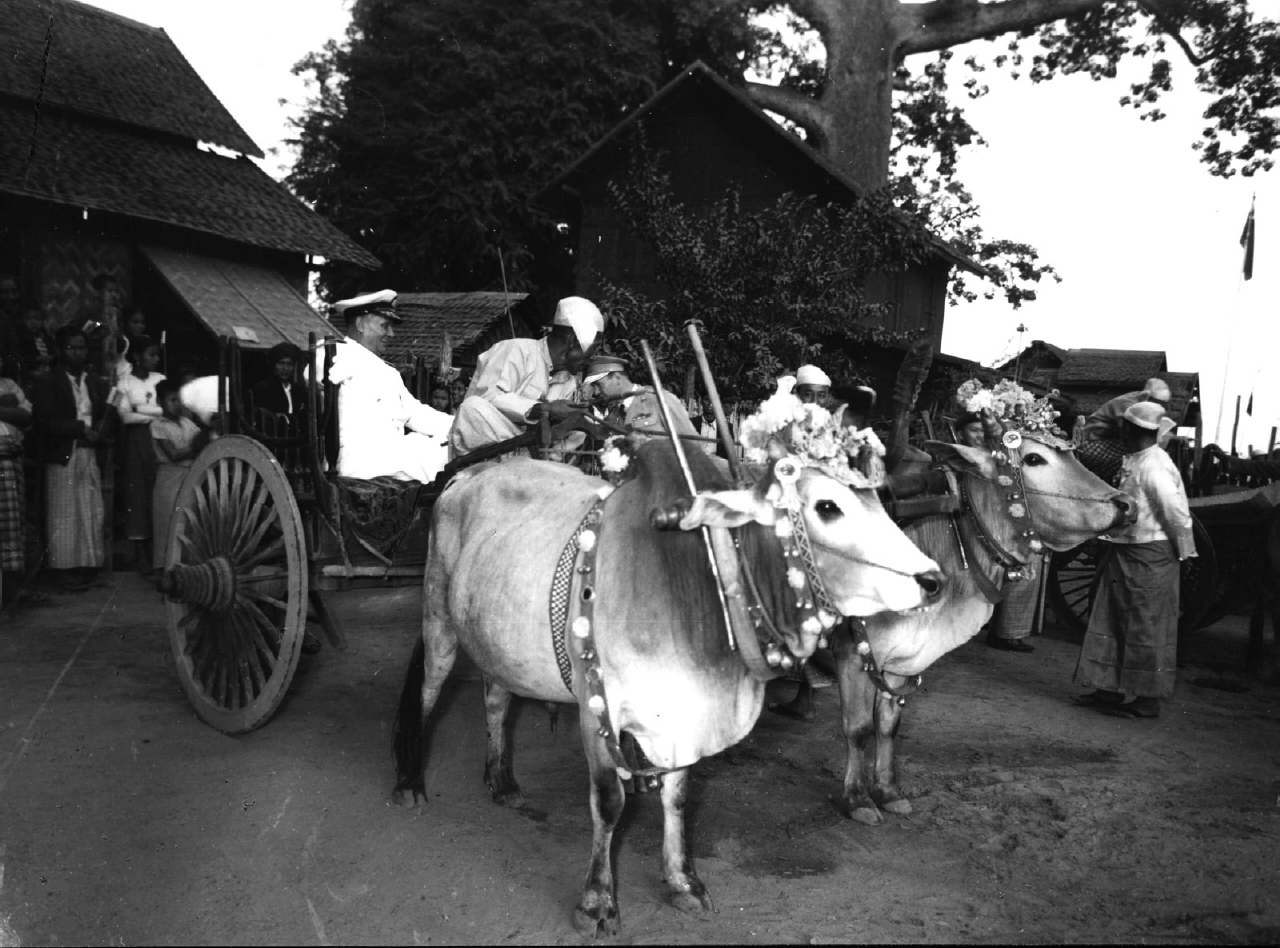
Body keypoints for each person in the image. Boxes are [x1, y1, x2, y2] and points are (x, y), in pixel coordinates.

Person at [1072, 401, 1196, 718]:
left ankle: (1147, 699)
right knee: (1110, 617)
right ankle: (1107, 689)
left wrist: (1186, 552)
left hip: (1151, 556)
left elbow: (1178, 515)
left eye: (1123, 428)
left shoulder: (1155, 468)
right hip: (1126, 551)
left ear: (1132, 430)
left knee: (1145, 626)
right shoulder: (1138, 459)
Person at [449, 296, 602, 458]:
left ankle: (541, 463)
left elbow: (557, 431)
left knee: (581, 426)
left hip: (532, 448)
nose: (593, 357)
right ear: (573, 341)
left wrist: (568, 419)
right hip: (489, 445)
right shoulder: (516, 350)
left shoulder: (569, 380)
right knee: (471, 407)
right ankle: (528, 458)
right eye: (594, 348)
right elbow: (488, 397)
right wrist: (545, 410)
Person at [328, 290, 453, 482]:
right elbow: (313, 372)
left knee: (450, 449)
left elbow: (416, 414)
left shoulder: (386, 372)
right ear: (361, 324)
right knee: (444, 458)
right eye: (385, 326)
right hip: (359, 462)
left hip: (390, 457)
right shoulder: (335, 354)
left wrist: (460, 424)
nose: (391, 334)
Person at [954, 406, 1044, 653]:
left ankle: (1008, 630)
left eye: (984, 430)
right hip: (964, 521)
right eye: (974, 430)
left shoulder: (1000, 455)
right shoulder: (957, 454)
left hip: (995, 521)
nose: (980, 435)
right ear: (961, 433)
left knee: (1030, 556)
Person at [32, 327, 110, 591]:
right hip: (62, 452)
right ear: (61, 350)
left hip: (89, 451)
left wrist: (99, 432)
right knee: (63, 513)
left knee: (89, 507)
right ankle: (62, 569)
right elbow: (45, 420)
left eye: (82, 348)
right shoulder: (48, 381)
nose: (78, 353)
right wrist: (79, 429)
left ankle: (86, 565)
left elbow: (104, 414)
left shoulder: (94, 381)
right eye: (72, 348)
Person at [113, 335, 165, 571]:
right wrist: (153, 411)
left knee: (157, 488)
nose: (155, 359)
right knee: (136, 491)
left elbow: (167, 410)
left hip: (159, 437)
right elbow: (124, 416)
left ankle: (158, 548)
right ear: (136, 356)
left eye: (157, 355)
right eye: (151, 354)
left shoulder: (161, 379)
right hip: (135, 440)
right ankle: (136, 550)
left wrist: (140, 409)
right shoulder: (123, 381)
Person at [150, 380, 208, 569]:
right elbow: (173, 454)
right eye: (172, 400)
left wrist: (198, 445)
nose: (177, 404)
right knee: (166, 522)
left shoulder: (188, 423)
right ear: (160, 401)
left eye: (179, 400)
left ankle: (183, 569)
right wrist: (194, 446)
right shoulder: (157, 425)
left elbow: (204, 445)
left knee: (187, 521)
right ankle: (164, 568)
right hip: (169, 478)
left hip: (189, 477)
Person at [1077, 378, 1174, 484]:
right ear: (1145, 396)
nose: (1159, 407)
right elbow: (1131, 435)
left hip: (1106, 442)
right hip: (1089, 444)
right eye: (1157, 403)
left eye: (1163, 404)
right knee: (1139, 450)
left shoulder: (1140, 402)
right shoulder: (1126, 404)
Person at [583, 352, 697, 437]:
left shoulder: (658, 401)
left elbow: (692, 443)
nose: (596, 392)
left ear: (617, 378)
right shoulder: (614, 415)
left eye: (599, 385)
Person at [0, 370, 33, 605]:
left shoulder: (9, 384)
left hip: (10, 463)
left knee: (11, 529)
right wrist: (6, 407)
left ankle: (11, 589)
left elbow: (26, 417)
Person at [249, 342, 302, 419]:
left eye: (289, 364)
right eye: (281, 363)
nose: (285, 368)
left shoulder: (299, 391)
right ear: (274, 365)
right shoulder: (262, 388)